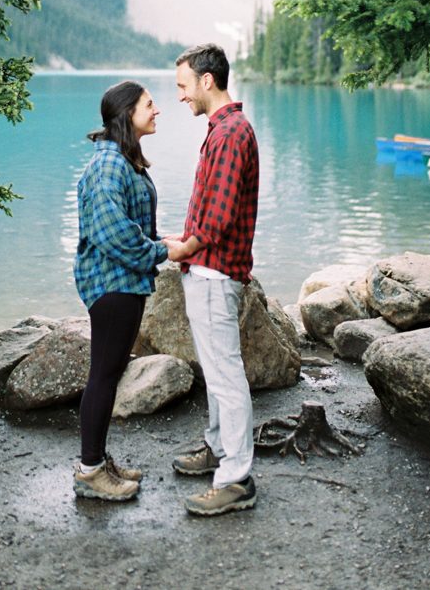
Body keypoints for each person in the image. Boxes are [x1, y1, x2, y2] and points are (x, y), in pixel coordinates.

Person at [165, 43, 259, 516]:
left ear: (207, 80)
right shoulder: (226, 128)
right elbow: (211, 210)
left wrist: (182, 248)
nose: (180, 96)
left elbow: (216, 218)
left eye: (183, 86)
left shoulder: (229, 134)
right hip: (212, 268)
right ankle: (219, 446)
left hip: (213, 270)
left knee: (225, 375)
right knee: (219, 369)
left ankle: (237, 478)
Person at [73, 79, 170, 502]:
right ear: (128, 112)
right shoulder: (109, 165)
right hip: (112, 284)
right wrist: (165, 250)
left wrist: (162, 245)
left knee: (107, 375)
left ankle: (96, 459)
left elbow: (129, 227)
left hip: (123, 282)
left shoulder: (121, 160)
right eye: (149, 105)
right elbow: (115, 234)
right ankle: (90, 472)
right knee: (103, 377)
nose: (157, 110)